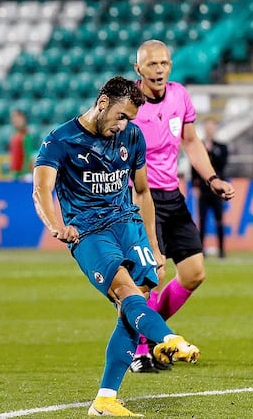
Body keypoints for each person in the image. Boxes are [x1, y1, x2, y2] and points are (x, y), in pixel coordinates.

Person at [31, 76, 200, 417]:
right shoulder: (60, 141)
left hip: (129, 225)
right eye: (121, 116)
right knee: (125, 293)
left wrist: (154, 244)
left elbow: (141, 190)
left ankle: (105, 399)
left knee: (133, 303)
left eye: (130, 120)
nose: (124, 125)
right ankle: (169, 339)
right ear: (104, 103)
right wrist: (56, 226)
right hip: (89, 233)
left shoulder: (132, 137)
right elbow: (41, 190)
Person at [130, 40, 236, 372]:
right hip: (141, 198)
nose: (159, 69)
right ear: (139, 70)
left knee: (194, 273)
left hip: (173, 196)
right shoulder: (129, 106)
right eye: (152, 65)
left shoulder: (180, 96)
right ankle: (140, 351)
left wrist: (212, 178)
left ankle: (148, 332)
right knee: (153, 274)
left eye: (163, 63)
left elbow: (190, 141)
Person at [191, 119, 229, 259]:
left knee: (219, 219)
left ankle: (221, 250)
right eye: (207, 127)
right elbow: (194, 165)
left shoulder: (221, 147)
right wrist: (195, 185)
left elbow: (222, 164)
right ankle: (202, 250)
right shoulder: (198, 145)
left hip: (217, 189)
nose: (209, 130)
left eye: (212, 127)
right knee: (202, 220)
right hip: (203, 188)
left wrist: (210, 153)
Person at [8, 109, 37, 180]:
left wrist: (24, 173)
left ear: (23, 119)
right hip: (15, 174)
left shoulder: (26, 136)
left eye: (17, 118)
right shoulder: (14, 135)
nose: (15, 120)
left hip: (22, 175)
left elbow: (28, 156)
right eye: (13, 118)